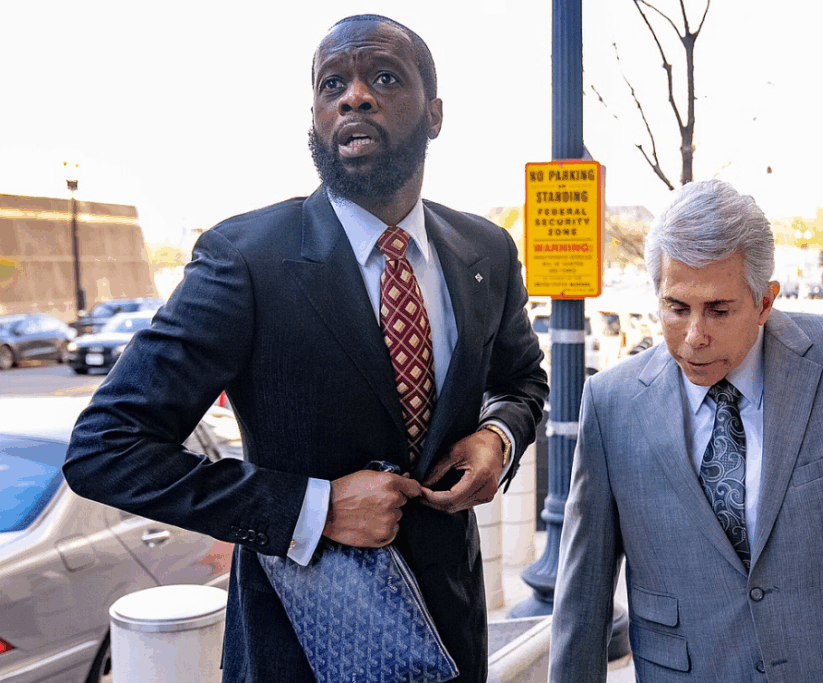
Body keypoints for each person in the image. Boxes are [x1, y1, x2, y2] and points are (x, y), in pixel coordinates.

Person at [63, 14, 547, 683]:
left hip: (448, 633)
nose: (354, 96)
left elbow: (522, 382)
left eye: (383, 77)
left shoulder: (485, 251)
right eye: (332, 84)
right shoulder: (247, 259)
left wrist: (499, 437)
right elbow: (105, 447)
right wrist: (310, 509)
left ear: (435, 115)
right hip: (300, 643)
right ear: (316, 117)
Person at [548, 179, 823, 682]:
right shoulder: (612, 405)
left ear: (765, 302)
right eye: (676, 308)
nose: (695, 337)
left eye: (719, 310)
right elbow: (583, 599)